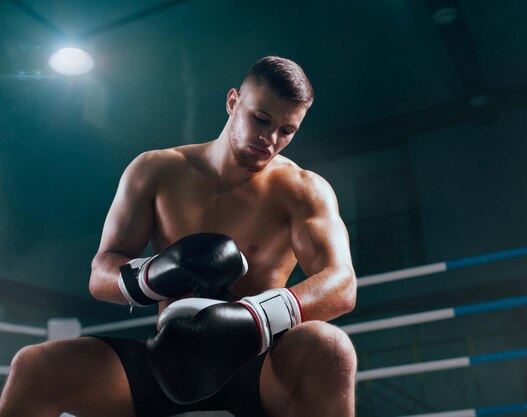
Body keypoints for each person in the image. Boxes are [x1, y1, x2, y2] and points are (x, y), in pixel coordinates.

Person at [0, 56, 357, 417]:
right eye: (261, 119)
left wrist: (253, 318)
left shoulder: (302, 190)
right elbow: (101, 272)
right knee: (36, 367)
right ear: (233, 101)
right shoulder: (155, 171)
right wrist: (153, 274)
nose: (270, 139)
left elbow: (342, 285)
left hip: (257, 364)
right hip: (165, 360)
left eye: (287, 131)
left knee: (330, 347)